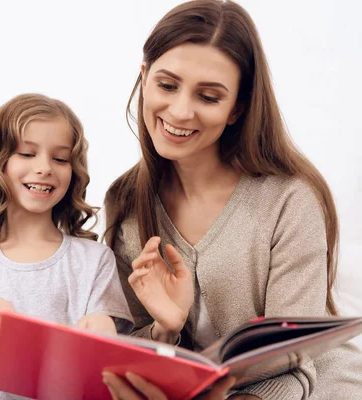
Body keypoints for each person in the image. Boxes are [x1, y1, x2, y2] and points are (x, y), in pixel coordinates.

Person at [101, 0, 362, 399]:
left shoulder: (290, 200)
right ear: (145, 75)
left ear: (237, 108)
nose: (180, 110)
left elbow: (293, 362)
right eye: (167, 85)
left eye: (208, 97)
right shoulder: (126, 201)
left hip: (311, 387)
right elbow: (135, 344)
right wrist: (165, 330)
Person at [0, 93, 134, 399]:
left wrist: (105, 333)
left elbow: (109, 382)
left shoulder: (94, 262)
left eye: (60, 158)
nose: (45, 168)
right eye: (27, 153)